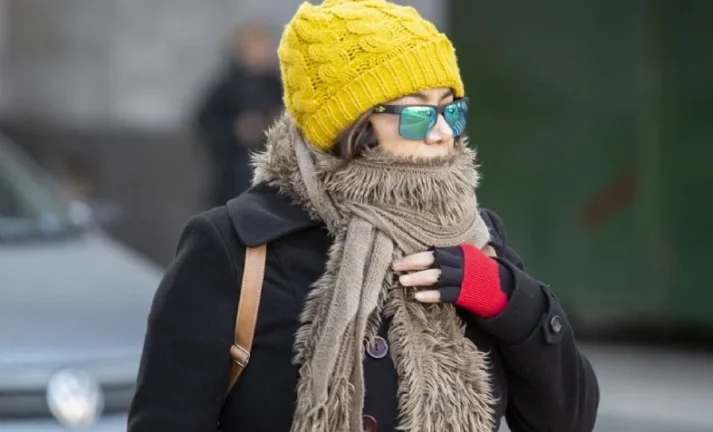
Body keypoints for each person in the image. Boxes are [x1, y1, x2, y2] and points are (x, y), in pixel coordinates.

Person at [129, 1, 599, 431]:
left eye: (450, 111)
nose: (441, 134)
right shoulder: (234, 248)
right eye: (417, 113)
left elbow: (568, 420)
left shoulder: (475, 239)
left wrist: (507, 299)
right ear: (350, 124)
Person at [195, 22, 283, 207]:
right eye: (255, 45)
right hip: (234, 173)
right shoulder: (225, 87)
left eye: (264, 45)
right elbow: (206, 123)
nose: (261, 51)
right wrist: (236, 130)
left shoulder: (280, 85)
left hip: (276, 173)